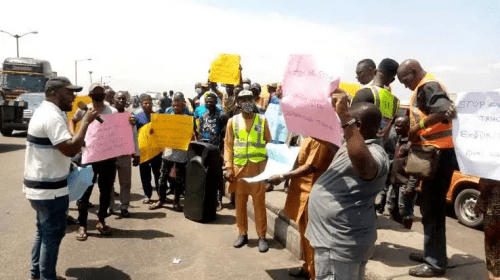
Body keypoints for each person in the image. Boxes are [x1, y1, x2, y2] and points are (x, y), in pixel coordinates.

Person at [306, 90, 390, 280]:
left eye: (345, 121)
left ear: (356, 124)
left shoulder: (375, 151)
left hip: (339, 244)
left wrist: (345, 117)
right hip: (334, 240)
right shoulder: (349, 142)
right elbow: (316, 132)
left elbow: (366, 169)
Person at [24, 76, 98, 280]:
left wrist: (69, 165)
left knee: (43, 231)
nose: (74, 97)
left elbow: (53, 149)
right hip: (50, 191)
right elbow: (70, 148)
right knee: (52, 234)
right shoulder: (52, 116)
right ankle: (47, 277)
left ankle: (36, 273)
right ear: (55, 93)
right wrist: (85, 123)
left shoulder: (47, 112)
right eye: (69, 92)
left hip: (40, 186)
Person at [397, 59, 457, 277]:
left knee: (433, 209)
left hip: (438, 156)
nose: (405, 86)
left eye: (405, 80)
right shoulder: (426, 85)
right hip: (436, 155)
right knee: (428, 208)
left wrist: (417, 128)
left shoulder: (427, 85)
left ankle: (435, 263)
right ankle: (431, 253)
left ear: (413, 71)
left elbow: (442, 111)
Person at [267, 137, 338, 279]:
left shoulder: (321, 140)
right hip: (301, 191)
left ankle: (314, 274)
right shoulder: (308, 138)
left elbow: (310, 167)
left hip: (312, 193)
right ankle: (307, 267)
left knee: (312, 239)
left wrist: (282, 176)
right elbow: (301, 160)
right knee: (304, 236)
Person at [224, 90, 272, 253]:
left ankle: (262, 236)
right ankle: (242, 234)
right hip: (239, 170)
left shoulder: (263, 121)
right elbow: (228, 146)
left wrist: (271, 170)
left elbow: (269, 145)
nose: (247, 102)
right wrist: (228, 167)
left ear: (255, 100)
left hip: (258, 170)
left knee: (259, 205)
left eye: (249, 99)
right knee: (240, 204)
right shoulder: (233, 122)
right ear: (238, 102)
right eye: (243, 99)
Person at [70, 83, 118, 240]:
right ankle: (82, 225)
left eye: (101, 93)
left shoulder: (113, 111)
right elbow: (73, 121)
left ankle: (101, 221)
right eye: (96, 93)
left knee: (106, 192)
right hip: (88, 156)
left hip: (108, 158)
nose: (99, 96)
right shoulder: (85, 109)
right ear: (90, 95)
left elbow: (120, 131)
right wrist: (74, 135)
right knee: (84, 191)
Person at [149, 92, 194, 212]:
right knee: (162, 177)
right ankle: (161, 199)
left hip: (181, 153)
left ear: (183, 104)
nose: (176, 107)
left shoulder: (187, 119)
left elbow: (192, 135)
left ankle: (176, 202)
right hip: (168, 152)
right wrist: (154, 131)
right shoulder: (167, 117)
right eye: (174, 105)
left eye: (178, 105)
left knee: (179, 179)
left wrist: (191, 135)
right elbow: (160, 131)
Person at [108, 91, 141, 218]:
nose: (121, 101)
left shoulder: (130, 117)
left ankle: (124, 207)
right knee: (109, 183)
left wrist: (136, 154)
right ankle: (110, 206)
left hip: (124, 155)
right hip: (110, 155)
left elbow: (134, 136)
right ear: (113, 100)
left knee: (125, 183)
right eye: (119, 98)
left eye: (123, 99)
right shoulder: (108, 115)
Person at [386, 115, 417, 229]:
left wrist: (411, 186)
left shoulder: (412, 143)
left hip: (405, 184)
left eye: (399, 126)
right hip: (395, 182)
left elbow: (415, 167)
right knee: (393, 209)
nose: (396, 128)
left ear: (407, 127)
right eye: (395, 126)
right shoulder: (399, 139)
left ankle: (406, 232)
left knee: (405, 212)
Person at [198, 92, 228, 210]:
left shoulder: (222, 115)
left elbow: (226, 135)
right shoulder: (203, 115)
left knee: (218, 175)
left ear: (216, 102)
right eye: (207, 101)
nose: (209, 103)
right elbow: (200, 132)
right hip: (205, 149)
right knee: (206, 175)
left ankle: (219, 200)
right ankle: (209, 199)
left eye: (212, 101)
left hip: (217, 150)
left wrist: (222, 152)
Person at [135, 94, 162, 204]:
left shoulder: (157, 116)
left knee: (158, 174)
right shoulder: (137, 117)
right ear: (141, 104)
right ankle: (147, 195)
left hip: (157, 151)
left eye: (149, 103)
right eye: (145, 103)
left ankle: (161, 195)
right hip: (144, 151)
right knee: (145, 175)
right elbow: (134, 134)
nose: (148, 105)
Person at [475, 178, 500, 280]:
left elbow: (483, 185)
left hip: (493, 210)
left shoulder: (492, 166)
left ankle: (495, 275)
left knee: (492, 244)